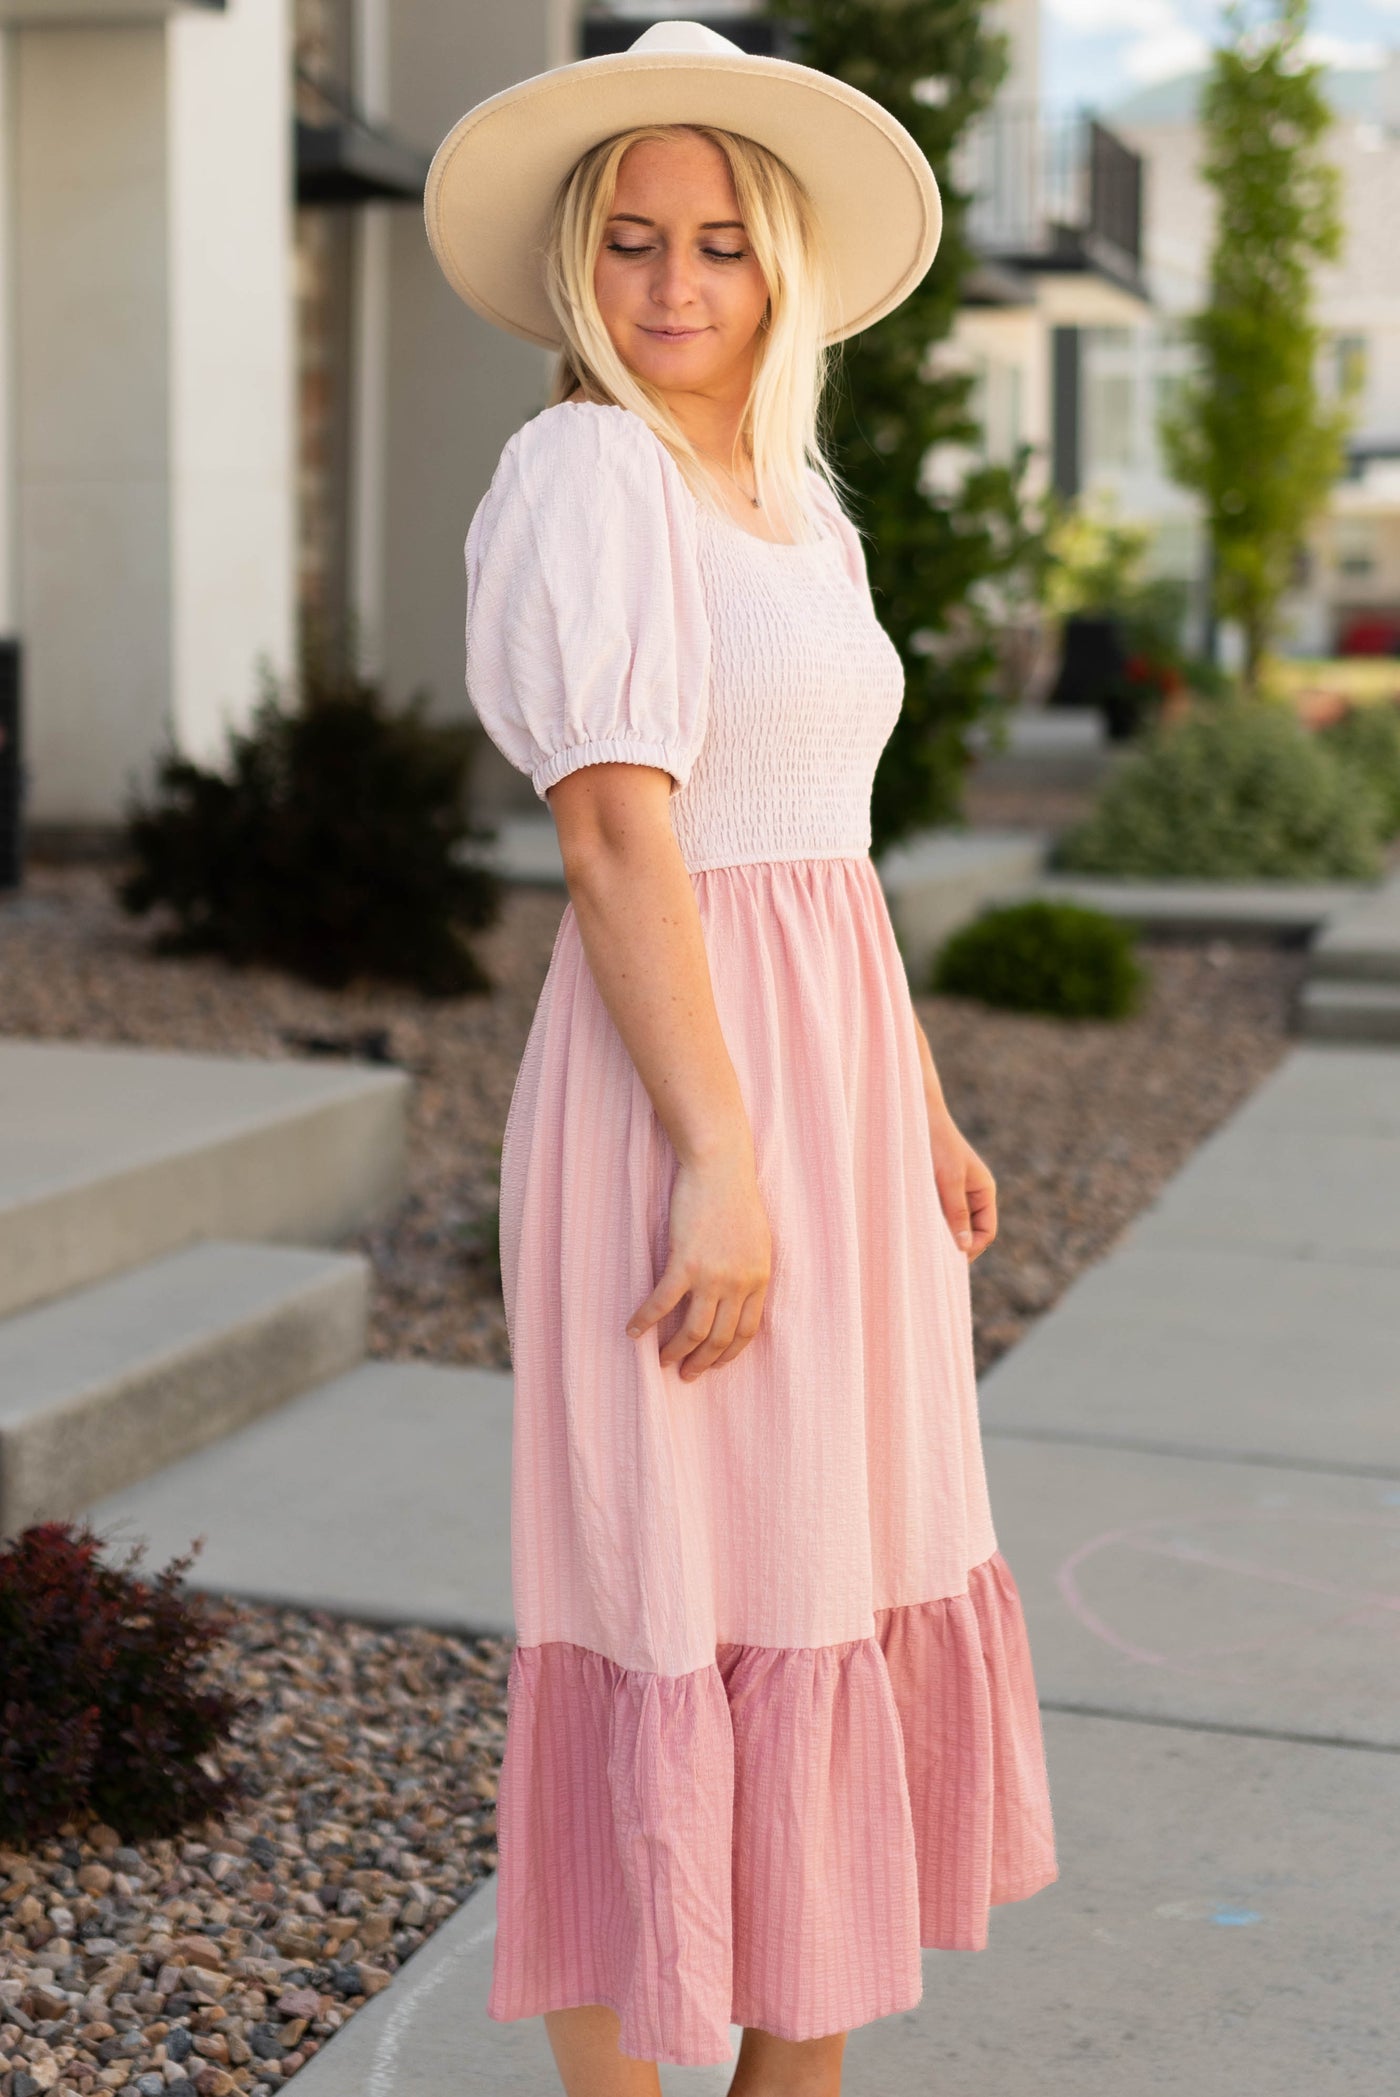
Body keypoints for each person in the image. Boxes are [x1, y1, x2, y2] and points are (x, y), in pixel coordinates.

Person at [424, 22, 1059, 2097]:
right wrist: (724, 1153)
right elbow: (620, 831)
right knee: (667, 1591)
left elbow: (819, 842)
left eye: (715, 241)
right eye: (629, 241)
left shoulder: (798, 500)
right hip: (674, 1099)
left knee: (833, 1573)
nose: (674, 284)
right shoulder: (584, 470)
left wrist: (914, 1099)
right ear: (576, 270)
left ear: (780, 268)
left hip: (833, 1094)